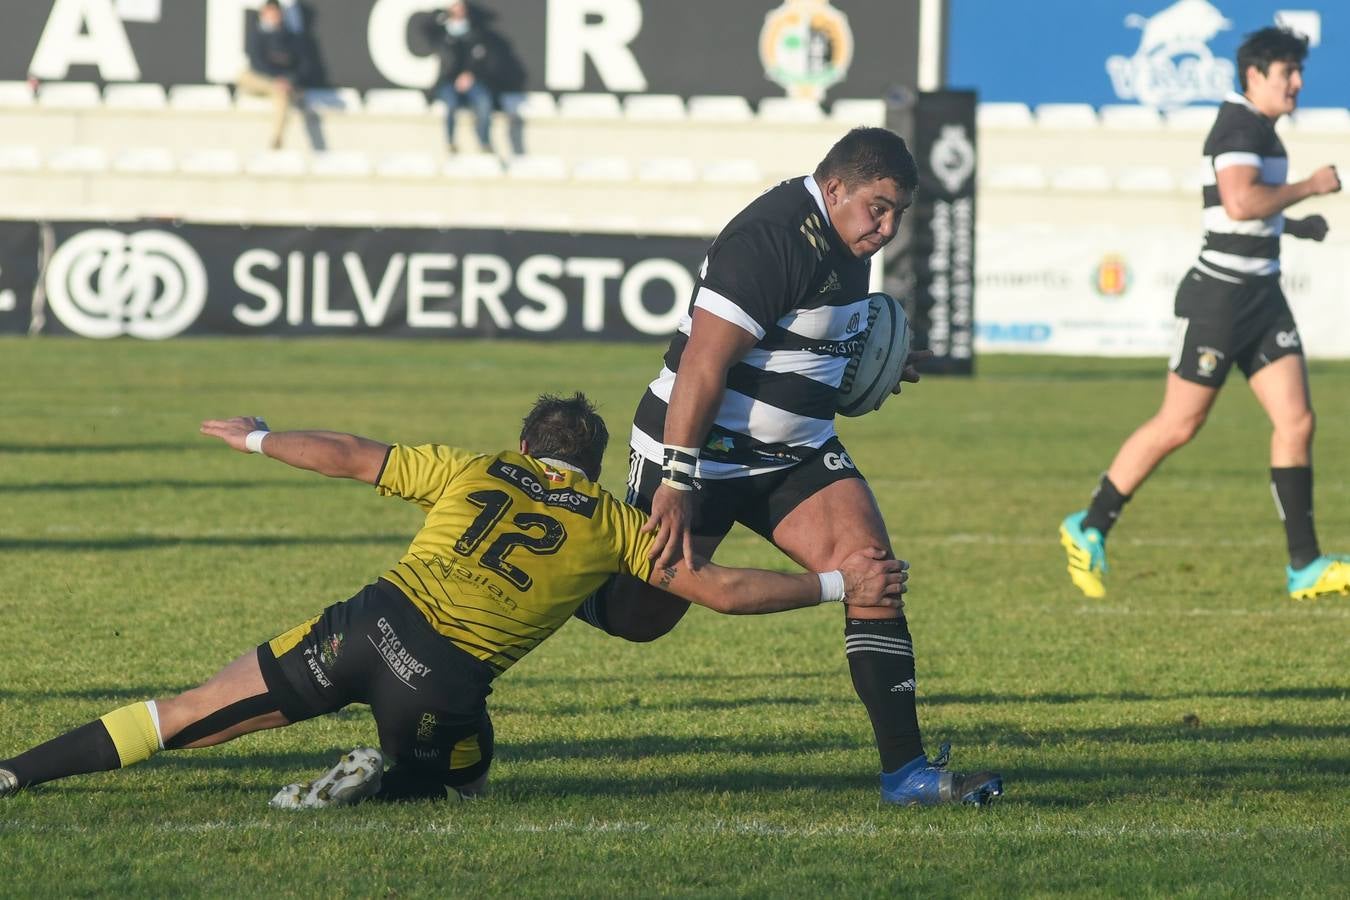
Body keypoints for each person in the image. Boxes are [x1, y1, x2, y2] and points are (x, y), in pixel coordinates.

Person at [0, 394, 906, 806]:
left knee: (189, 710)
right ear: (589, 466)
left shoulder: (474, 468)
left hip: (364, 626)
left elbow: (354, 453)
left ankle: (15, 774)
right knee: (466, 773)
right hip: (438, 684)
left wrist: (260, 437)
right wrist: (836, 583)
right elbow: (718, 591)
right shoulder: (611, 523)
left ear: (524, 443)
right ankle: (388, 779)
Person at [571, 127, 1005, 808]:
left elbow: (797, 341)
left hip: (797, 451)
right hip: (700, 453)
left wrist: (873, 364)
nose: (888, 228)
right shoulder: (770, 238)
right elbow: (702, 364)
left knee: (873, 572)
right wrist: (679, 479)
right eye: (879, 208)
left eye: (899, 214)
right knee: (640, 617)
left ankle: (907, 774)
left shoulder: (848, 234)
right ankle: (560, 559)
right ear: (835, 188)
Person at [1059, 26, 1346, 602]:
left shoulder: (1258, 128)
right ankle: (1089, 527)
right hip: (1218, 301)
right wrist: (1309, 187)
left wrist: (1292, 224)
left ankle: (1305, 564)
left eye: (1298, 71)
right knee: (1179, 424)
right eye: (1288, 72)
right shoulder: (1238, 126)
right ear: (1255, 76)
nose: (1298, 82)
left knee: (1297, 422)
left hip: (1262, 298)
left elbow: (1232, 208)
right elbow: (1241, 199)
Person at [425, 0, 521, 155]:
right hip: (448, 82)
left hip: (472, 81)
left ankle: (484, 142)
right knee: (450, 103)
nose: (458, 12)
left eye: (460, 8)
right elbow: (426, 28)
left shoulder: (475, 34)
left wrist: (470, 75)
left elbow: (484, 60)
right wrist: (442, 14)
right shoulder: (442, 34)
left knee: (483, 101)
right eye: (454, 9)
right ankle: (450, 143)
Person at [237, 0, 325, 150]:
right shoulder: (256, 35)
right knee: (243, 76)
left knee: (282, 94)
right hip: (264, 81)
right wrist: (276, 79)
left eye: (275, 13)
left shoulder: (291, 38)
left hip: (282, 85)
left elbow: (302, 66)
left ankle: (277, 140)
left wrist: (289, 80)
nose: (272, 16)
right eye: (269, 12)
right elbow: (257, 62)